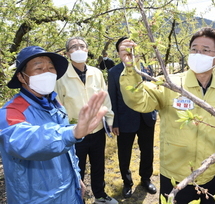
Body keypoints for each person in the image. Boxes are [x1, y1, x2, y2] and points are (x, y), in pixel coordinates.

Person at [118, 28, 215, 204]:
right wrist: (130, 68)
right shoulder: (170, 84)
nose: (198, 54)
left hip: (211, 174)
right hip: (175, 175)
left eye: (205, 50)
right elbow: (138, 100)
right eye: (194, 49)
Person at [0, 45, 108, 204]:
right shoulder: (11, 111)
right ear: (22, 77)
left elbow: (69, 153)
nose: (47, 72)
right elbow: (24, 140)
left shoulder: (55, 104)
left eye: (51, 68)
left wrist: (77, 179)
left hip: (69, 193)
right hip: (36, 200)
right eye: (39, 68)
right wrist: (72, 133)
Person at [55, 37, 118, 204]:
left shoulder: (96, 73)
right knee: (77, 168)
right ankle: (77, 198)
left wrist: (109, 120)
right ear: (68, 53)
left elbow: (105, 98)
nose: (78, 49)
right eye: (74, 47)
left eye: (82, 46)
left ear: (87, 50)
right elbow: (58, 105)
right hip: (74, 132)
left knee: (98, 165)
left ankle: (100, 195)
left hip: (97, 129)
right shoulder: (61, 77)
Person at [107, 37, 157, 199]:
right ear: (118, 53)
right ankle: (127, 182)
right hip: (125, 119)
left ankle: (146, 179)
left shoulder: (145, 68)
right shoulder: (114, 72)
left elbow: (153, 91)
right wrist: (114, 122)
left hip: (146, 118)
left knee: (147, 151)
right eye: (124, 48)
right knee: (124, 153)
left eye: (131, 47)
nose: (128, 51)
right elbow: (112, 98)